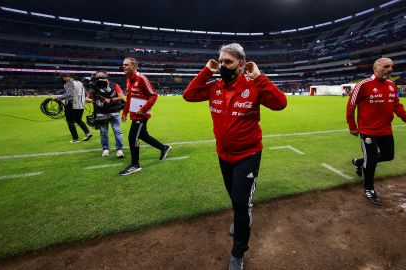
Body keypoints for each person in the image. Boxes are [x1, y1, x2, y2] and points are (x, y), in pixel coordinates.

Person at [183, 43, 287, 270]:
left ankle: (238, 253)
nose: (222, 66)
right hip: (224, 155)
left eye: (227, 62)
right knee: (234, 196)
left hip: (248, 155)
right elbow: (188, 95)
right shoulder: (215, 86)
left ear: (241, 65)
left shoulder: (254, 85)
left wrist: (259, 76)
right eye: (220, 61)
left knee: (241, 202)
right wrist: (206, 71)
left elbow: (280, 104)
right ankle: (241, 214)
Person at [346, 57, 406, 205]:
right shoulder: (363, 85)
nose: (390, 69)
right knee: (372, 160)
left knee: (388, 155)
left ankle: (359, 162)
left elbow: (397, 105)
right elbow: (351, 106)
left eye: (391, 66)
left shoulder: (392, 85)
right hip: (368, 130)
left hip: (385, 129)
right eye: (386, 66)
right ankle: (369, 189)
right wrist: (352, 126)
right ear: (375, 68)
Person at [119, 57, 172, 176]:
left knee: (133, 137)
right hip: (134, 113)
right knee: (143, 135)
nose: (123, 66)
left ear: (134, 66)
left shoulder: (142, 78)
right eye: (123, 65)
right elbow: (129, 99)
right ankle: (164, 148)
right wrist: (124, 112)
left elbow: (154, 95)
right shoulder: (128, 79)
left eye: (126, 65)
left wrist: (143, 110)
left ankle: (135, 164)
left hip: (141, 115)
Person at [85, 70, 125, 158]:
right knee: (103, 132)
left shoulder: (114, 85)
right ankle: (105, 149)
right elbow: (86, 99)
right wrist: (94, 101)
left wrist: (110, 100)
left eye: (99, 77)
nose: (98, 79)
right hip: (101, 113)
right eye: (97, 77)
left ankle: (119, 149)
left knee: (117, 131)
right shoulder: (94, 87)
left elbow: (121, 97)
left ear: (106, 77)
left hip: (114, 111)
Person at [54, 73, 92, 143]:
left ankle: (75, 139)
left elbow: (70, 95)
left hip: (71, 105)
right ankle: (87, 133)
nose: (61, 80)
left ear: (67, 77)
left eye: (62, 78)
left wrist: (58, 98)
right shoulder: (79, 82)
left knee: (70, 122)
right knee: (78, 120)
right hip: (80, 105)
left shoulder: (68, 83)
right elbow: (85, 93)